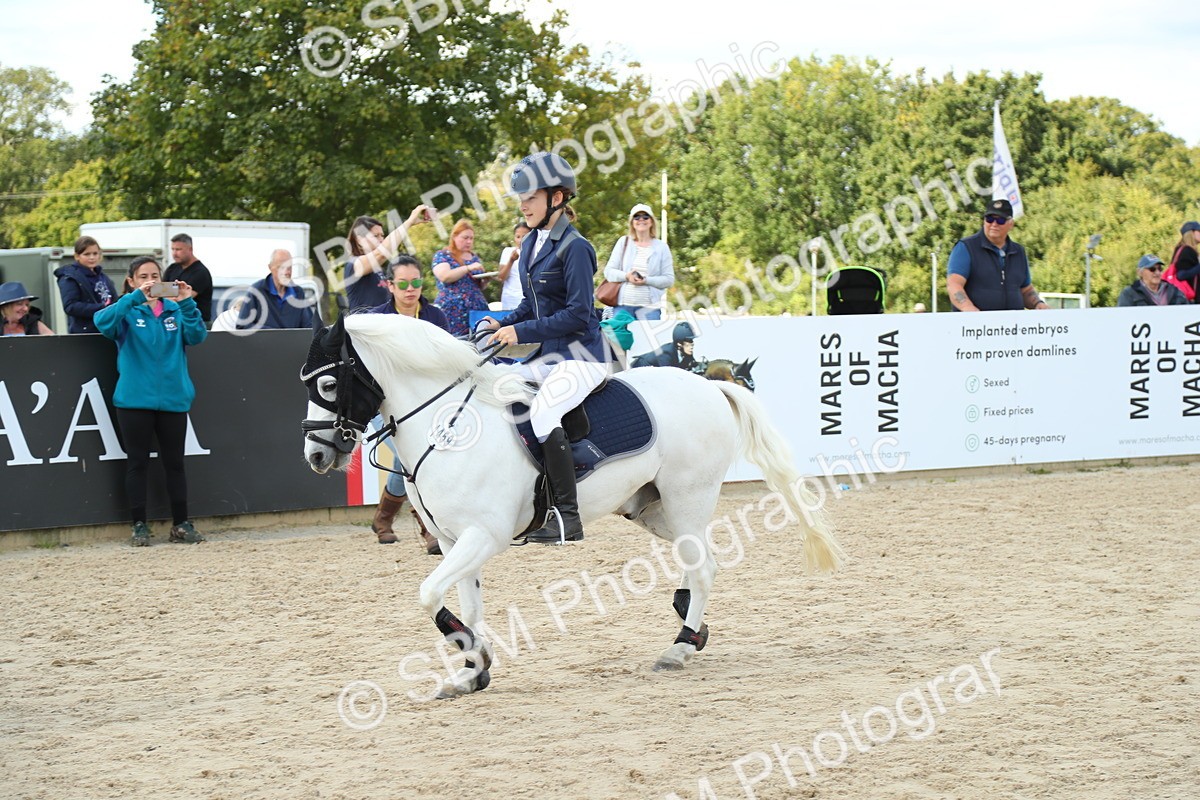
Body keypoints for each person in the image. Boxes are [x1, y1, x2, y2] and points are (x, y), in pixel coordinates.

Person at [481, 152, 608, 544]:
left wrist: (520, 333)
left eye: (530, 198)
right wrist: (501, 322)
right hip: (548, 358)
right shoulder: (532, 246)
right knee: (496, 386)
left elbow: (578, 314)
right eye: (521, 200)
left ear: (557, 198)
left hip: (582, 357)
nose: (523, 206)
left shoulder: (576, 248)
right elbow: (530, 306)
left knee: (544, 410)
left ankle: (568, 518)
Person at [94, 256, 208, 546]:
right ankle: (139, 526)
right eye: (143, 276)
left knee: (175, 464)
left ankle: (181, 524)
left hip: (173, 398)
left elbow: (197, 336)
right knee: (137, 463)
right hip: (134, 400)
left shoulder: (175, 309)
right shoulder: (126, 311)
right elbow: (101, 322)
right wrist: (133, 299)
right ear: (131, 281)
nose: (150, 280)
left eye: (155, 275)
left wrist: (185, 301)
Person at [365, 255, 448, 552]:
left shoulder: (436, 316)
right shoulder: (376, 320)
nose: (411, 289)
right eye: (403, 284)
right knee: (408, 458)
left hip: (427, 404)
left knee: (413, 458)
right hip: (383, 407)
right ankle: (428, 529)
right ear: (390, 285)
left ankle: (382, 519)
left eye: (416, 282)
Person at [946, 199, 1049, 312]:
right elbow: (954, 284)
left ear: (1011, 224)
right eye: (989, 219)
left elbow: (1025, 290)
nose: (994, 224)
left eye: (1000, 220)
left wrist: (1038, 303)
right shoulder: (966, 247)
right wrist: (967, 308)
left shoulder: (1019, 251)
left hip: (1013, 326)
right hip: (974, 326)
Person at [343, 207, 431, 311]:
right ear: (359, 239)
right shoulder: (353, 264)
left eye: (382, 235)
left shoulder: (379, 269)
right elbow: (382, 253)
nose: (381, 239)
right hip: (363, 326)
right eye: (376, 236)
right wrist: (409, 222)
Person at [603, 203, 676, 321]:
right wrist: (627, 276)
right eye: (637, 217)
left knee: (648, 339)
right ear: (632, 222)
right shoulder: (623, 242)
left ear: (651, 221)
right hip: (622, 307)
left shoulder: (662, 247)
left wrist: (646, 280)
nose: (641, 219)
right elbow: (609, 272)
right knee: (617, 339)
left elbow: (669, 280)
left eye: (645, 217)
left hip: (650, 309)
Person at [433, 218, 489, 336]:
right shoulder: (443, 255)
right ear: (454, 237)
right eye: (465, 238)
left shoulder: (474, 257)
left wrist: (485, 280)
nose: (469, 242)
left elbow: (476, 285)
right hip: (452, 310)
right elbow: (445, 276)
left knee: (480, 342)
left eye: (471, 238)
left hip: (476, 309)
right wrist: (468, 268)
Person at [235, 249, 315, 330]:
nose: (286, 272)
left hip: (291, 342)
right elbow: (242, 326)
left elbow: (310, 327)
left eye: (289, 267)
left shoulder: (298, 293)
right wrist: (271, 333)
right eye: (281, 267)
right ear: (270, 268)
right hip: (264, 342)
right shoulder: (256, 291)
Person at [54, 236, 117, 333]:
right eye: (87, 254)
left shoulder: (103, 276)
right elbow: (70, 307)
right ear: (77, 256)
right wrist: (102, 308)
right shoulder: (70, 277)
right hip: (85, 333)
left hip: (106, 329)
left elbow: (114, 301)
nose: (92, 257)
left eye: (95, 253)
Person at [164, 233, 214, 323]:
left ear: (190, 249)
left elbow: (184, 298)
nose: (174, 253)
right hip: (174, 321)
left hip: (196, 323)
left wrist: (165, 295)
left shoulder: (200, 272)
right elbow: (159, 292)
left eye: (178, 249)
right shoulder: (172, 268)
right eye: (173, 249)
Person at [1117, 255, 1189, 307]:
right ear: (1140, 272)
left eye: (1160, 269)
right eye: (1152, 269)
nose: (1157, 273)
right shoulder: (1129, 293)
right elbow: (1123, 318)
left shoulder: (1175, 291)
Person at [631, 321, 703, 372]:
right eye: (688, 343)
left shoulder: (685, 351)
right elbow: (669, 376)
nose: (691, 346)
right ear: (679, 344)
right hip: (639, 368)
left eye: (692, 343)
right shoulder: (665, 354)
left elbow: (693, 365)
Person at [497, 221, 531, 310]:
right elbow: (501, 277)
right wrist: (511, 260)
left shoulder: (536, 253)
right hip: (510, 301)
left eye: (524, 236)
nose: (520, 240)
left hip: (528, 301)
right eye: (518, 237)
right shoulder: (508, 252)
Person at [1168, 221, 1200, 300]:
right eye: (1199, 231)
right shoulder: (1187, 251)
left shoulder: (1182, 249)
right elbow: (1181, 275)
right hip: (1188, 298)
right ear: (1191, 233)